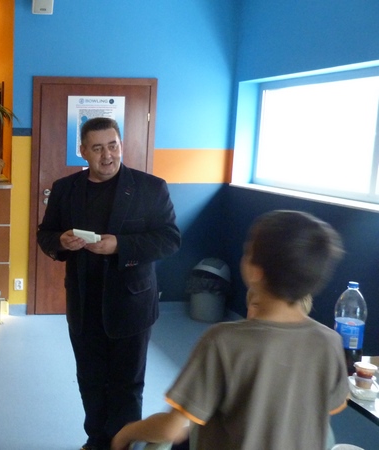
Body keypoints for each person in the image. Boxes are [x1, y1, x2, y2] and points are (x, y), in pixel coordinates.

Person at [112, 210, 349, 450]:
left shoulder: (222, 341)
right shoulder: (330, 341)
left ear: (256, 271)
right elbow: (326, 410)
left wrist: (127, 432)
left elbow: (171, 428)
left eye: (248, 250)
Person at [36, 117, 181, 450]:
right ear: (83, 151)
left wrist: (121, 246)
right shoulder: (65, 189)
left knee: (127, 386)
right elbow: (45, 235)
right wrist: (60, 241)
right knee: (90, 383)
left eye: (113, 146)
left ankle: (123, 445)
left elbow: (170, 239)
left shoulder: (150, 187)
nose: (107, 155)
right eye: (98, 148)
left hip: (132, 304)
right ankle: (97, 442)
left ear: (121, 145)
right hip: (84, 304)